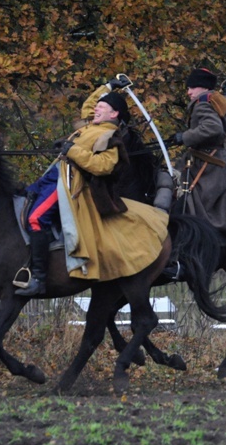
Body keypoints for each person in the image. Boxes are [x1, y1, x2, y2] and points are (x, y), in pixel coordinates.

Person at [16, 76, 169, 296]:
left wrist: (72, 150)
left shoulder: (109, 137)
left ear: (114, 114)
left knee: (36, 219)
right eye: (97, 107)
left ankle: (38, 277)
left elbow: (103, 166)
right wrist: (109, 87)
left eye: (102, 107)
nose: (95, 109)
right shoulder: (91, 125)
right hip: (53, 176)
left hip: (69, 184)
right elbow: (89, 104)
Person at [170, 68, 226, 238]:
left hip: (209, 163)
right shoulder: (219, 101)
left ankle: (197, 236)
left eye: (192, 87)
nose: (189, 92)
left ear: (203, 87)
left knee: (191, 198)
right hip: (221, 159)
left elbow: (213, 128)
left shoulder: (203, 103)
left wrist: (184, 137)